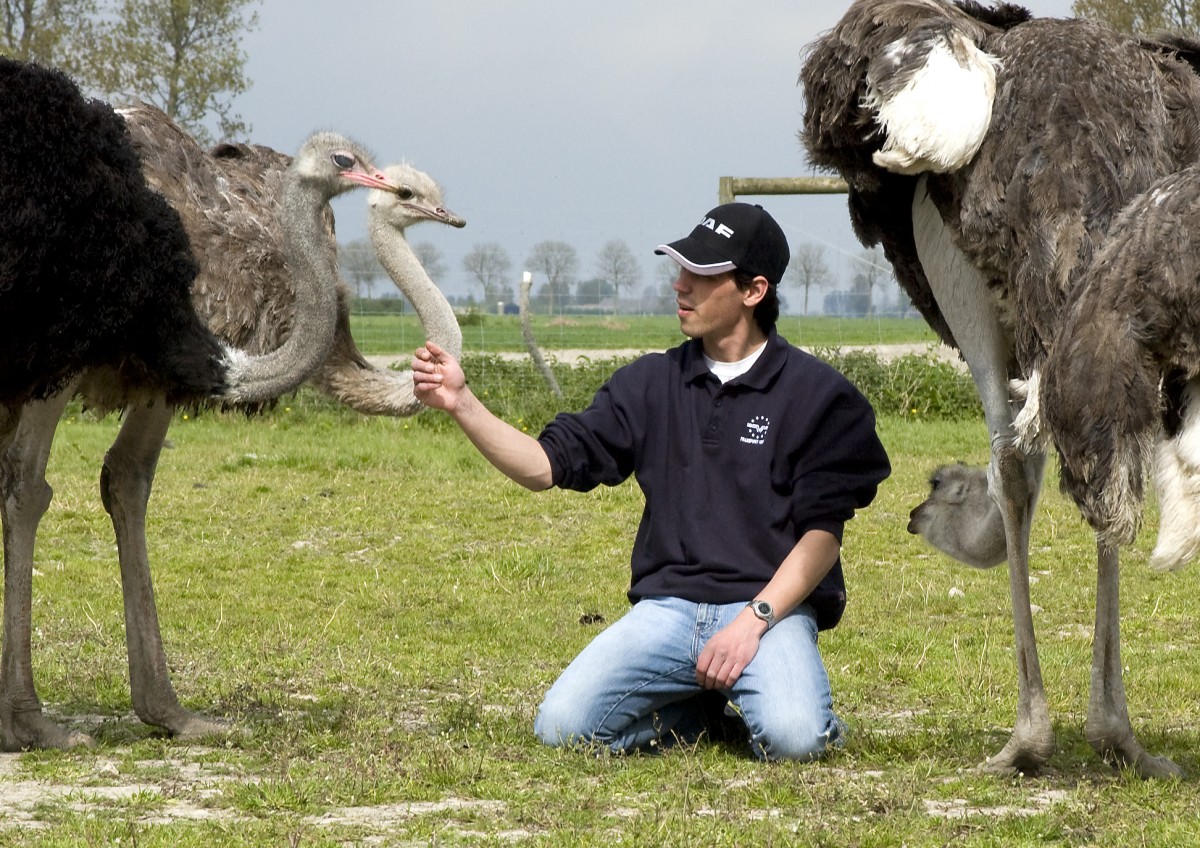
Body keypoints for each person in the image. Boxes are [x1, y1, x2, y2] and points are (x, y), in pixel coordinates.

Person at [412, 202, 891, 761]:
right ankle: (698, 717)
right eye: (681, 268)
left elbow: (822, 537)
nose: (680, 285)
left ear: (754, 290)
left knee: (795, 738)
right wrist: (461, 403)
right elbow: (543, 466)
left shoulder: (820, 398)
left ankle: (801, 714)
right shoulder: (649, 383)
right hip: (667, 609)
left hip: (767, 611)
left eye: (703, 274)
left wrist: (752, 622)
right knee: (562, 729)